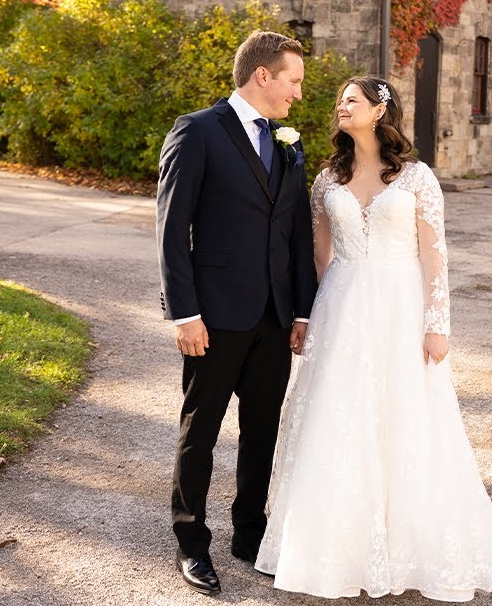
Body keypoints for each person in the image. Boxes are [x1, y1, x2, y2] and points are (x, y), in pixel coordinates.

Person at [255, 76, 492, 601]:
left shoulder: (417, 178)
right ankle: (330, 540)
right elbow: (318, 254)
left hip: (400, 305)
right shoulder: (326, 178)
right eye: (339, 100)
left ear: (380, 110)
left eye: (351, 100)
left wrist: (437, 323)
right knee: (337, 413)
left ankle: (407, 536)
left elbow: (434, 254)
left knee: (403, 413)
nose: (341, 106)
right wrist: (309, 316)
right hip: (341, 304)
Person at [156, 30, 318, 595]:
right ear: (264, 76)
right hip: (215, 315)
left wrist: (302, 310)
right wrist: (184, 314)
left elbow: (296, 230)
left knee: (262, 430)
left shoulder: (288, 141)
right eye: (293, 81)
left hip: (274, 316)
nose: (298, 93)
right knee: (200, 430)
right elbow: (173, 230)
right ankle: (191, 540)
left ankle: (249, 533)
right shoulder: (196, 131)